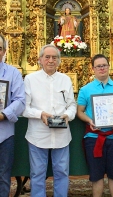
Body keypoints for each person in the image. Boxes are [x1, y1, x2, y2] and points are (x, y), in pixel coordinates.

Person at [22, 44, 77, 196]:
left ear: (59, 61)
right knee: (37, 174)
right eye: (47, 57)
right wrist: (40, 114)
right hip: (38, 135)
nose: (51, 60)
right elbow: (24, 108)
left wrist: (68, 115)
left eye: (54, 57)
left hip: (61, 136)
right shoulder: (30, 79)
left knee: (61, 172)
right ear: (40, 59)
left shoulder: (65, 79)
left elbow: (72, 105)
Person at [77, 54, 113, 197]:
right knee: (97, 176)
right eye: (98, 66)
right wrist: (89, 121)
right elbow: (80, 112)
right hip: (94, 138)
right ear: (93, 69)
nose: (102, 68)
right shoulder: (85, 90)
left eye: (104, 65)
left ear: (108, 66)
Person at [0, 34, 25, 197]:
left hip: (4, 134)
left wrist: (3, 114)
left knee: (3, 176)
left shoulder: (13, 73)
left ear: (4, 51)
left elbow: (21, 100)